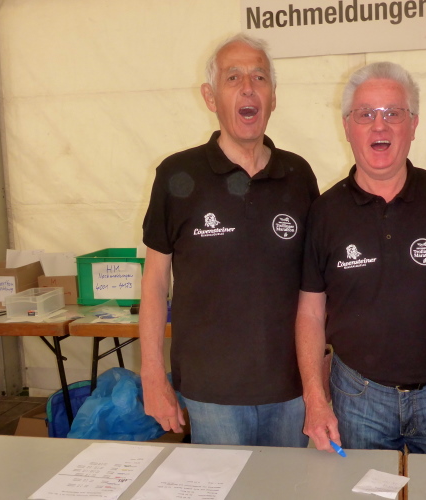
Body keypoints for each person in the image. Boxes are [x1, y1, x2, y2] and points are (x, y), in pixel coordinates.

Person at [296, 61, 426, 455]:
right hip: (357, 399)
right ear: (347, 126)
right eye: (365, 114)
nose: (380, 126)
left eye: (393, 113)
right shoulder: (325, 213)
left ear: (413, 125)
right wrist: (315, 397)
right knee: (363, 487)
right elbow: (310, 312)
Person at [140, 33, 319, 447]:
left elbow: (317, 286)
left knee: (288, 482)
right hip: (211, 393)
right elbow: (154, 281)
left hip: (290, 389)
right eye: (233, 77)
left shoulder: (298, 175)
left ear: (273, 97)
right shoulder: (176, 175)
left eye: (260, 77)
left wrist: (320, 373)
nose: (248, 88)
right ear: (210, 96)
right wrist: (152, 374)